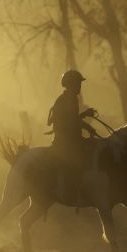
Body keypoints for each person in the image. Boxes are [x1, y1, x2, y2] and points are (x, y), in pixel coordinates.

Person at [47, 70, 97, 203]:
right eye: (78, 84)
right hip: (66, 141)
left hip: (70, 138)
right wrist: (88, 125)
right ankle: (73, 188)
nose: (80, 87)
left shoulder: (69, 98)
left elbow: (72, 119)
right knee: (79, 160)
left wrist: (85, 116)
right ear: (71, 84)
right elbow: (72, 122)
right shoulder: (68, 99)